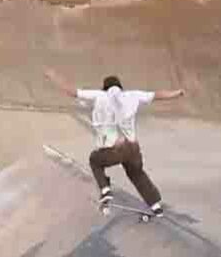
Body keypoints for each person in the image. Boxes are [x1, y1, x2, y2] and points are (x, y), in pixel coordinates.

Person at [43, 68, 185, 217]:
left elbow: (72, 92)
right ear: (120, 88)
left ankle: (105, 190)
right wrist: (177, 93)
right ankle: (155, 206)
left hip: (114, 150)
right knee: (137, 173)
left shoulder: (99, 95)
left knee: (95, 160)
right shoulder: (133, 95)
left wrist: (54, 76)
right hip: (133, 149)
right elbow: (157, 95)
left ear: (105, 88)